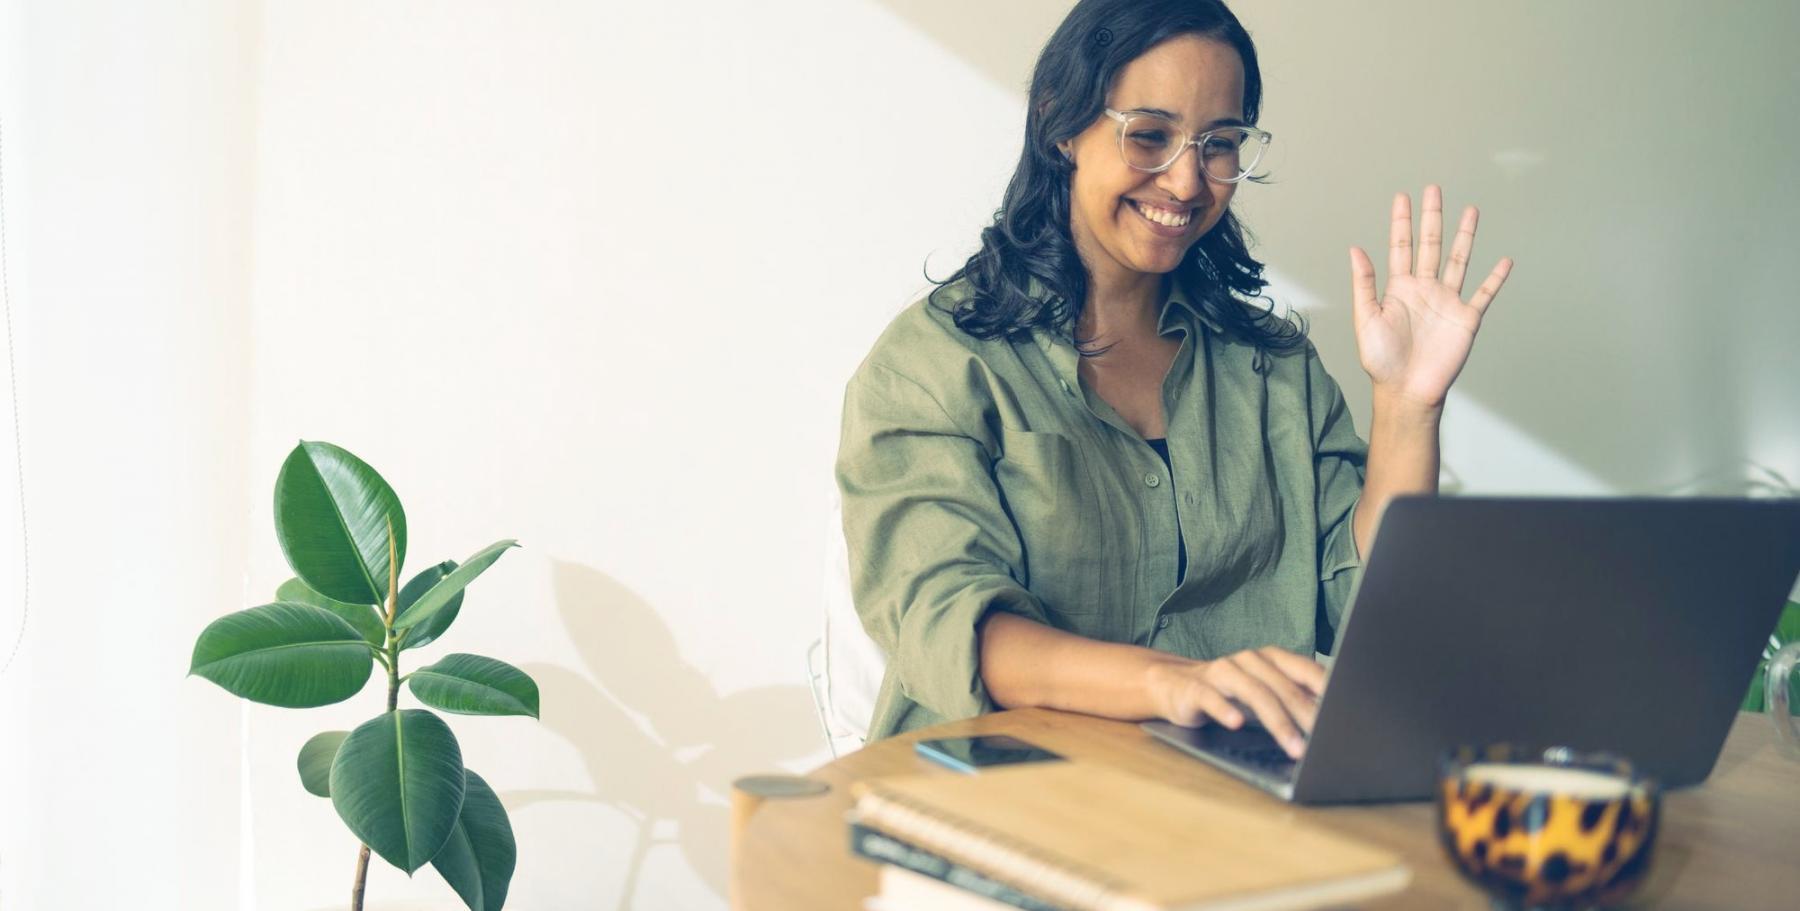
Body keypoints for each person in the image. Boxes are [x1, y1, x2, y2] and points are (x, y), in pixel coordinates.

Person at [834, 0, 1512, 756]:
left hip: (1232, 792)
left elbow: (1372, 614)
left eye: (1219, 144)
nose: (1187, 182)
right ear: (1062, 122)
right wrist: (1173, 682)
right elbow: (951, 624)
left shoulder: (1272, 367)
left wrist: (1407, 408)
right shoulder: (936, 363)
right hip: (1003, 798)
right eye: (1149, 136)